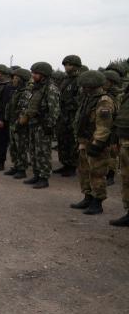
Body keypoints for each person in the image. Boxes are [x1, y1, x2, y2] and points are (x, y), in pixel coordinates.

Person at [70, 71, 116, 215]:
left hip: (96, 142)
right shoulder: (87, 98)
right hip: (84, 141)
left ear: (92, 86)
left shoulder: (104, 100)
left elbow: (104, 125)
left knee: (97, 173)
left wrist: (98, 143)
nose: (83, 88)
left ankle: (98, 201)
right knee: (84, 171)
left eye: (85, 86)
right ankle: (87, 196)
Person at [19, 62, 60, 189]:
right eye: (33, 73)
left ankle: (44, 177)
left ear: (44, 75)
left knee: (43, 153)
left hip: (43, 125)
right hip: (33, 124)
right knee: (33, 151)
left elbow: (54, 110)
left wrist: (49, 126)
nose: (33, 75)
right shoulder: (36, 87)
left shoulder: (50, 88)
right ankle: (37, 174)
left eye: (36, 73)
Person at [54, 55, 83, 177]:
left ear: (76, 66)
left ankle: (72, 166)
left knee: (71, 141)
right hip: (63, 114)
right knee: (63, 139)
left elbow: (81, 99)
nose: (66, 67)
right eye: (65, 65)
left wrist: (70, 104)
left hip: (72, 114)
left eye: (69, 64)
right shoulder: (66, 79)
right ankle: (65, 163)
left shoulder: (80, 80)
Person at [4, 68, 32, 179]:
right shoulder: (17, 91)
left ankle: (22, 169)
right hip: (12, 122)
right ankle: (16, 165)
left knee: (21, 147)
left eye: (15, 78)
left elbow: (24, 110)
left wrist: (18, 123)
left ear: (21, 79)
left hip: (20, 124)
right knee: (13, 147)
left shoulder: (26, 92)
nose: (13, 80)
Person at [110, 74, 129, 227]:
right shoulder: (126, 94)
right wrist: (115, 140)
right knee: (126, 179)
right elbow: (119, 118)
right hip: (124, 140)